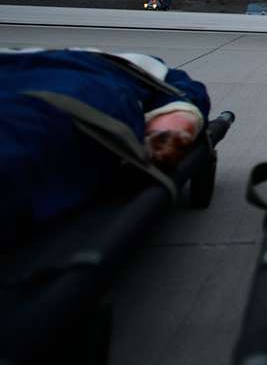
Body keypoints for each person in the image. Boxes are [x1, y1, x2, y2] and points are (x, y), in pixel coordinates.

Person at [1, 48, 210, 245]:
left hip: (60, 80)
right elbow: (184, 99)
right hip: (80, 81)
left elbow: (182, 101)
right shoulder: (141, 69)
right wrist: (170, 130)